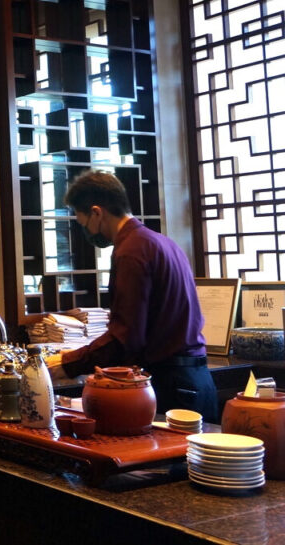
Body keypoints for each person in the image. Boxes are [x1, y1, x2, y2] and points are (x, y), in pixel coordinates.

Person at [45, 170, 218, 422]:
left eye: (83, 223)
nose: (86, 232)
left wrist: (66, 363)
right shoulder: (161, 242)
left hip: (171, 387)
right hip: (198, 382)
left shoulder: (131, 251)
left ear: (97, 212)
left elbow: (125, 338)